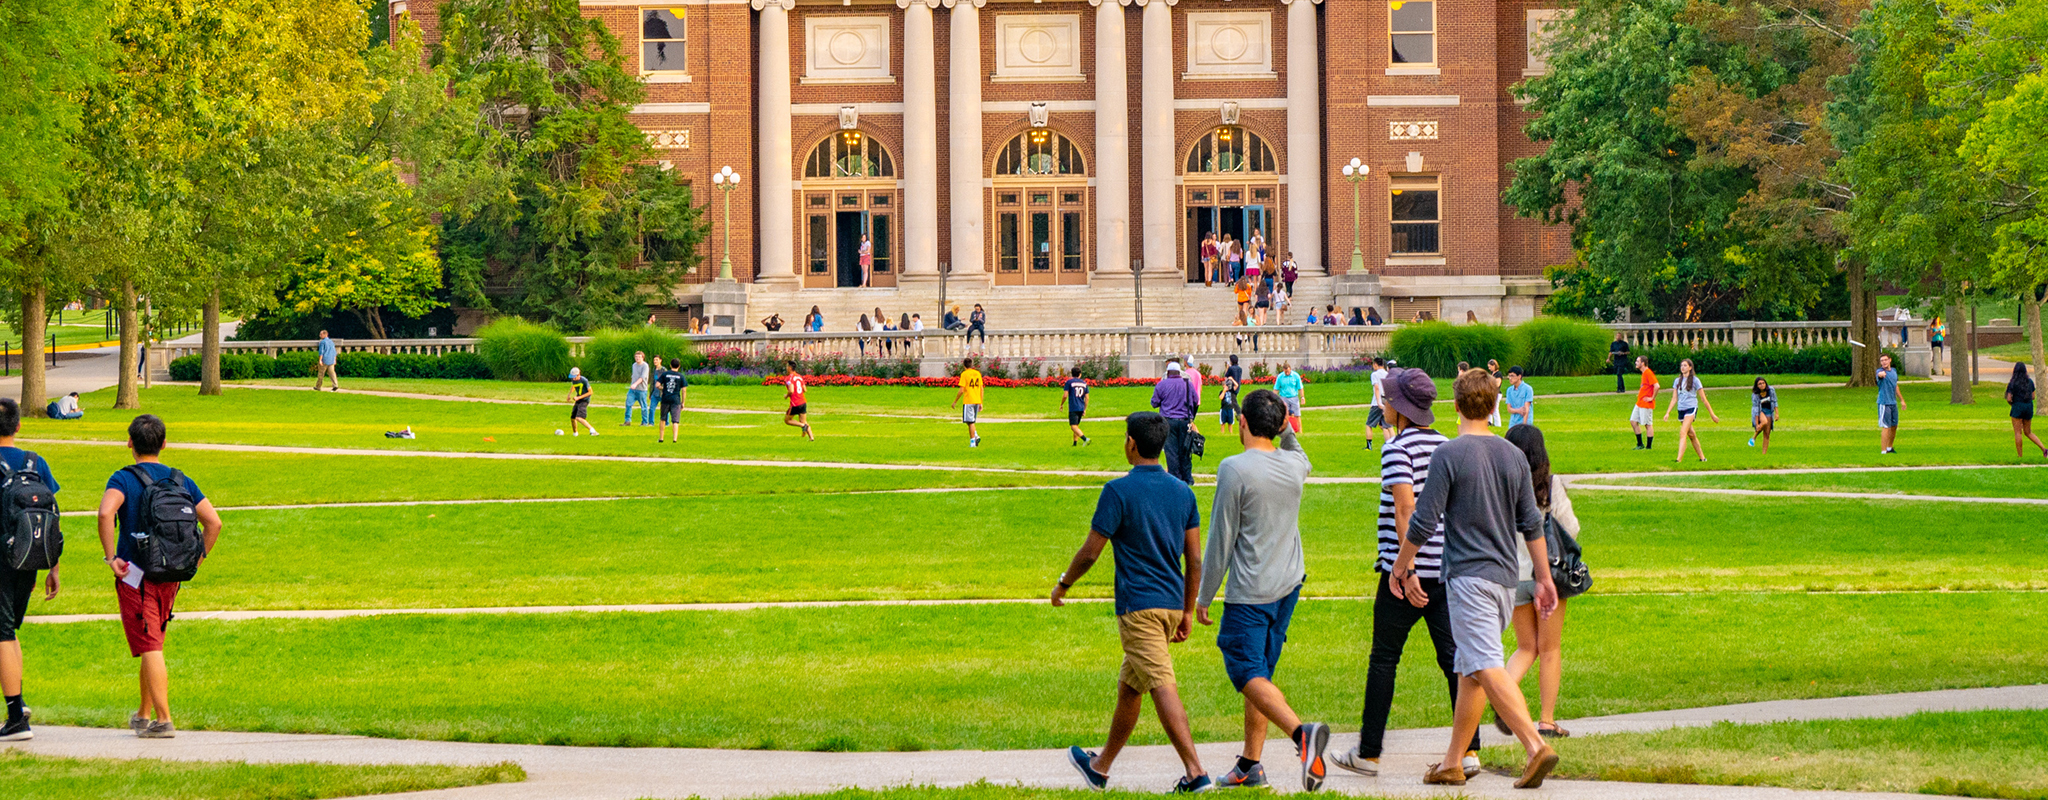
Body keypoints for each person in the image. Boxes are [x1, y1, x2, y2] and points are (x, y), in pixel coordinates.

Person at [1390, 370, 1559, 789]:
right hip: (1504, 579)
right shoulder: (1512, 456)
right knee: (1470, 670)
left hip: (1468, 578)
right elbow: (1530, 523)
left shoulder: (1449, 454)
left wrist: (1401, 565)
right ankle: (1452, 762)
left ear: (1456, 406)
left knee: (1483, 663)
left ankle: (1535, 746)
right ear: (1494, 405)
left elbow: (1423, 519)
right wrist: (1543, 577)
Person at [1332, 367, 1481, 780]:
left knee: (1384, 658)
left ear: (1399, 407)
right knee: (1455, 659)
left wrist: (1406, 567)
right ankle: (1470, 749)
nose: (1383, 403)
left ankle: (1370, 751)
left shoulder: (1397, 449)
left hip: (1405, 572)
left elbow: (1405, 509)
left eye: (1387, 399)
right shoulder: (1449, 447)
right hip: (1446, 570)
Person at [1056, 412, 1212, 794]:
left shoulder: (1118, 492)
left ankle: (1196, 774)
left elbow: (1091, 553)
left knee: (1160, 683)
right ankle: (1100, 766)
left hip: (1139, 607)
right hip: (1171, 605)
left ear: (1131, 443)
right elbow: (1194, 560)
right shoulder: (1183, 492)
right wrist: (1188, 609)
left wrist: (1064, 584)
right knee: (1131, 686)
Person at [1195, 389, 1328, 791]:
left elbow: (1221, 538)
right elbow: (1299, 453)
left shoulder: (1235, 468)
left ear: (1244, 423)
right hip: (1288, 584)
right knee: (1262, 672)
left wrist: (1203, 596)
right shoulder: (1294, 464)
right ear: (1280, 424)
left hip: (1251, 590)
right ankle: (1251, 763)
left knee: (1245, 668)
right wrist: (1285, 425)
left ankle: (1302, 735)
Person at [97, 414, 224, 739]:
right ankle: (143, 714)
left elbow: (105, 512)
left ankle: (164, 720)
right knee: (151, 640)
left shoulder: (123, 479)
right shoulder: (180, 480)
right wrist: (197, 557)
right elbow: (214, 523)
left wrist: (112, 558)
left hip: (134, 573)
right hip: (172, 572)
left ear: (130, 443)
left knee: (150, 644)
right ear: (164, 444)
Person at [1495, 424, 1578, 740]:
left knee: (1525, 647)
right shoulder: (1550, 485)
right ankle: (1546, 720)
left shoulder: (1500, 486)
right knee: (1550, 648)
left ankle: (1502, 695)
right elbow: (1570, 526)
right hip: (1549, 574)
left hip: (1513, 576)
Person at [0, 400, 60, 741]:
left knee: (3, 634)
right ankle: (18, 703)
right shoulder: (36, 463)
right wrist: (53, 567)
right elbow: (52, 518)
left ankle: (15, 719)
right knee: (9, 631)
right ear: (18, 426)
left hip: (0, 559)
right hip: (30, 558)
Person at [1150, 361, 1200, 485]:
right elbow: (1195, 401)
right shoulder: (1187, 384)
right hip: (1184, 421)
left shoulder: (1162, 385)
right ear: (1179, 372)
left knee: (1171, 451)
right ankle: (1187, 478)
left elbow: (1154, 403)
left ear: (1168, 372)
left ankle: (1175, 478)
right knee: (1185, 449)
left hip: (1168, 421)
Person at [1663, 358, 1719, 463]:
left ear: (1690, 367)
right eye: (1681, 365)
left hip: (1691, 408)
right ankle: (1702, 458)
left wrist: (1712, 414)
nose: (1682, 367)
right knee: (1691, 434)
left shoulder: (1695, 380)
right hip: (1681, 409)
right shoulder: (1677, 381)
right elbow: (1674, 398)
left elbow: (1703, 399)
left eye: (1685, 365)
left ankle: (1678, 459)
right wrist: (1668, 412)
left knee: (1682, 432)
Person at [2007, 363, 2046, 459]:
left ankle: (2020, 456)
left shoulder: (2013, 383)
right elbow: (2033, 396)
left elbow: (2009, 398)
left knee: (2017, 432)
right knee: (2028, 432)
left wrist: (2013, 404)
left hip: (2017, 407)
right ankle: (2044, 449)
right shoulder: (2030, 382)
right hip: (2028, 407)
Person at [654, 357, 688, 444]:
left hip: (665, 398)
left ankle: (661, 438)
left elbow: (657, 385)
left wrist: (663, 388)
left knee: (663, 419)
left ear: (670, 365)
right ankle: (675, 439)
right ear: (679, 366)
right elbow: (684, 390)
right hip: (675, 400)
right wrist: (683, 402)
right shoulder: (681, 376)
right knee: (675, 420)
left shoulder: (665, 374)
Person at [1876, 353, 1904, 455]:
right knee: (1886, 426)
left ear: (1889, 360)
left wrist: (1901, 400)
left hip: (1893, 403)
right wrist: (1880, 375)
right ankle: (1883, 451)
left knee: (1894, 426)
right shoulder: (1880, 372)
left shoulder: (1894, 372)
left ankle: (1889, 447)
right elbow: (1879, 375)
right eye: (1882, 361)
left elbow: (1895, 386)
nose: (1883, 362)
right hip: (1884, 403)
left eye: (1885, 360)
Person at [954, 358, 985, 448]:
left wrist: (955, 401)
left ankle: (973, 442)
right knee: (969, 420)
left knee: (970, 422)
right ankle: (975, 435)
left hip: (968, 400)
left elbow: (961, 390)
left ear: (964, 366)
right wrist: (980, 402)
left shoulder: (964, 374)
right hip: (976, 399)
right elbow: (981, 388)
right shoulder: (977, 374)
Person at [1630, 356, 1657, 451]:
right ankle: (1640, 444)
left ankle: (1649, 447)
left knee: (1647, 424)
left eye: (1638, 361)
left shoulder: (1648, 373)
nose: (1636, 362)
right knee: (1633, 421)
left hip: (1646, 403)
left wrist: (1652, 398)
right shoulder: (1644, 373)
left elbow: (1657, 386)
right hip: (1640, 402)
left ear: (1643, 363)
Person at [783, 361, 814, 441]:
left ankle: (803, 426)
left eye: (787, 367)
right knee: (803, 421)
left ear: (790, 368)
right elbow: (805, 389)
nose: (786, 368)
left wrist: (786, 396)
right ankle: (811, 437)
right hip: (803, 401)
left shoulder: (789, 378)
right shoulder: (799, 377)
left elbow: (791, 390)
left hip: (795, 403)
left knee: (787, 420)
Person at [1364, 357, 1390, 451]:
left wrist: (1378, 401)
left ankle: (1369, 445)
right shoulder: (1387, 374)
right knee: (1384, 425)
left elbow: (1376, 387)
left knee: (1369, 424)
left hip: (1377, 402)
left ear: (1375, 364)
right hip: (1386, 400)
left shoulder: (1374, 374)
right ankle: (1389, 445)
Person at [1061, 368, 1091, 446]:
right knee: (1076, 425)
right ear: (1080, 374)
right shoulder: (1084, 383)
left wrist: (1061, 404)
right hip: (1081, 406)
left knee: (1073, 426)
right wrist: (1085, 408)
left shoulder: (1069, 382)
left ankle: (1085, 439)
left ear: (1072, 374)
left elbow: (1065, 395)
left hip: (1073, 406)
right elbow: (1087, 397)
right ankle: (1075, 443)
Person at [565, 368, 598, 436]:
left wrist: (579, 397)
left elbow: (590, 392)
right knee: (573, 418)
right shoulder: (573, 380)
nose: (573, 379)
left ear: (578, 375)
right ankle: (575, 434)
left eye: (574, 377)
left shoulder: (584, 380)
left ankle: (593, 431)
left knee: (579, 417)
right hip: (578, 399)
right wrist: (569, 394)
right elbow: (574, 386)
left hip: (584, 400)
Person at [1749, 377, 1779, 453]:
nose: (1762, 385)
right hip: (1760, 410)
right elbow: (1756, 409)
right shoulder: (1755, 395)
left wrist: (1777, 413)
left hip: (1769, 411)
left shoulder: (1771, 390)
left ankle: (1764, 453)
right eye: (1759, 384)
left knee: (1767, 433)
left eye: (1763, 383)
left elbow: (1775, 401)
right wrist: (1757, 423)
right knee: (1764, 422)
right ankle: (1754, 437)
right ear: (1757, 386)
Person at [623, 351, 653, 427]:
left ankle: (644, 422)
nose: (637, 358)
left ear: (642, 357)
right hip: (633, 390)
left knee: (643, 406)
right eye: (636, 357)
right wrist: (632, 383)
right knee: (628, 403)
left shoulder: (645, 366)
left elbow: (643, 377)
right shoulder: (634, 365)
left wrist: (635, 384)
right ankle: (627, 421)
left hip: (642, 389)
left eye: (639, 357)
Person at [1274, 363, 1304, 434]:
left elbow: (1300, 387)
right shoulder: (1280, 377)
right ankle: (1284, 430)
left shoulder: (1295, 376)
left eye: (1288, 371)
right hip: (1284, 397)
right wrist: (1273, 398)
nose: (1287, 373)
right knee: (1284, 415)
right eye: (1285, 371)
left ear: (1290, 369)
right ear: (1283, 370)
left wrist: (1302, 397)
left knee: (1297, 415)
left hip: (1294, 397)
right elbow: (1276, 388)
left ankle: (1300, 431)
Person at [1219, 368, 1241, 436]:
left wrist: (1232, 379)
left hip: (1230, 408)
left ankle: (1230, 433)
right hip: (1224, 408)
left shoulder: (1232, 391)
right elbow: (1220, 398)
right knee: (1223, 422)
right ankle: (1222, 433)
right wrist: (1224, 391)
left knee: (1230, 422)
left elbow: (1236, 385)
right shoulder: (1222, 392)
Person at [1486, 360, 1504, 427]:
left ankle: (1498, 424)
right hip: (1491, 392)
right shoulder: (1492, 374)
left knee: (1495, 409)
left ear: (1494, 365)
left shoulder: (1498, 374)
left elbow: (1497, 384)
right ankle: (1489, 421)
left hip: (1496, 393)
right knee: (1489, 407)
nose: (1489, 368)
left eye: (1490, 367)